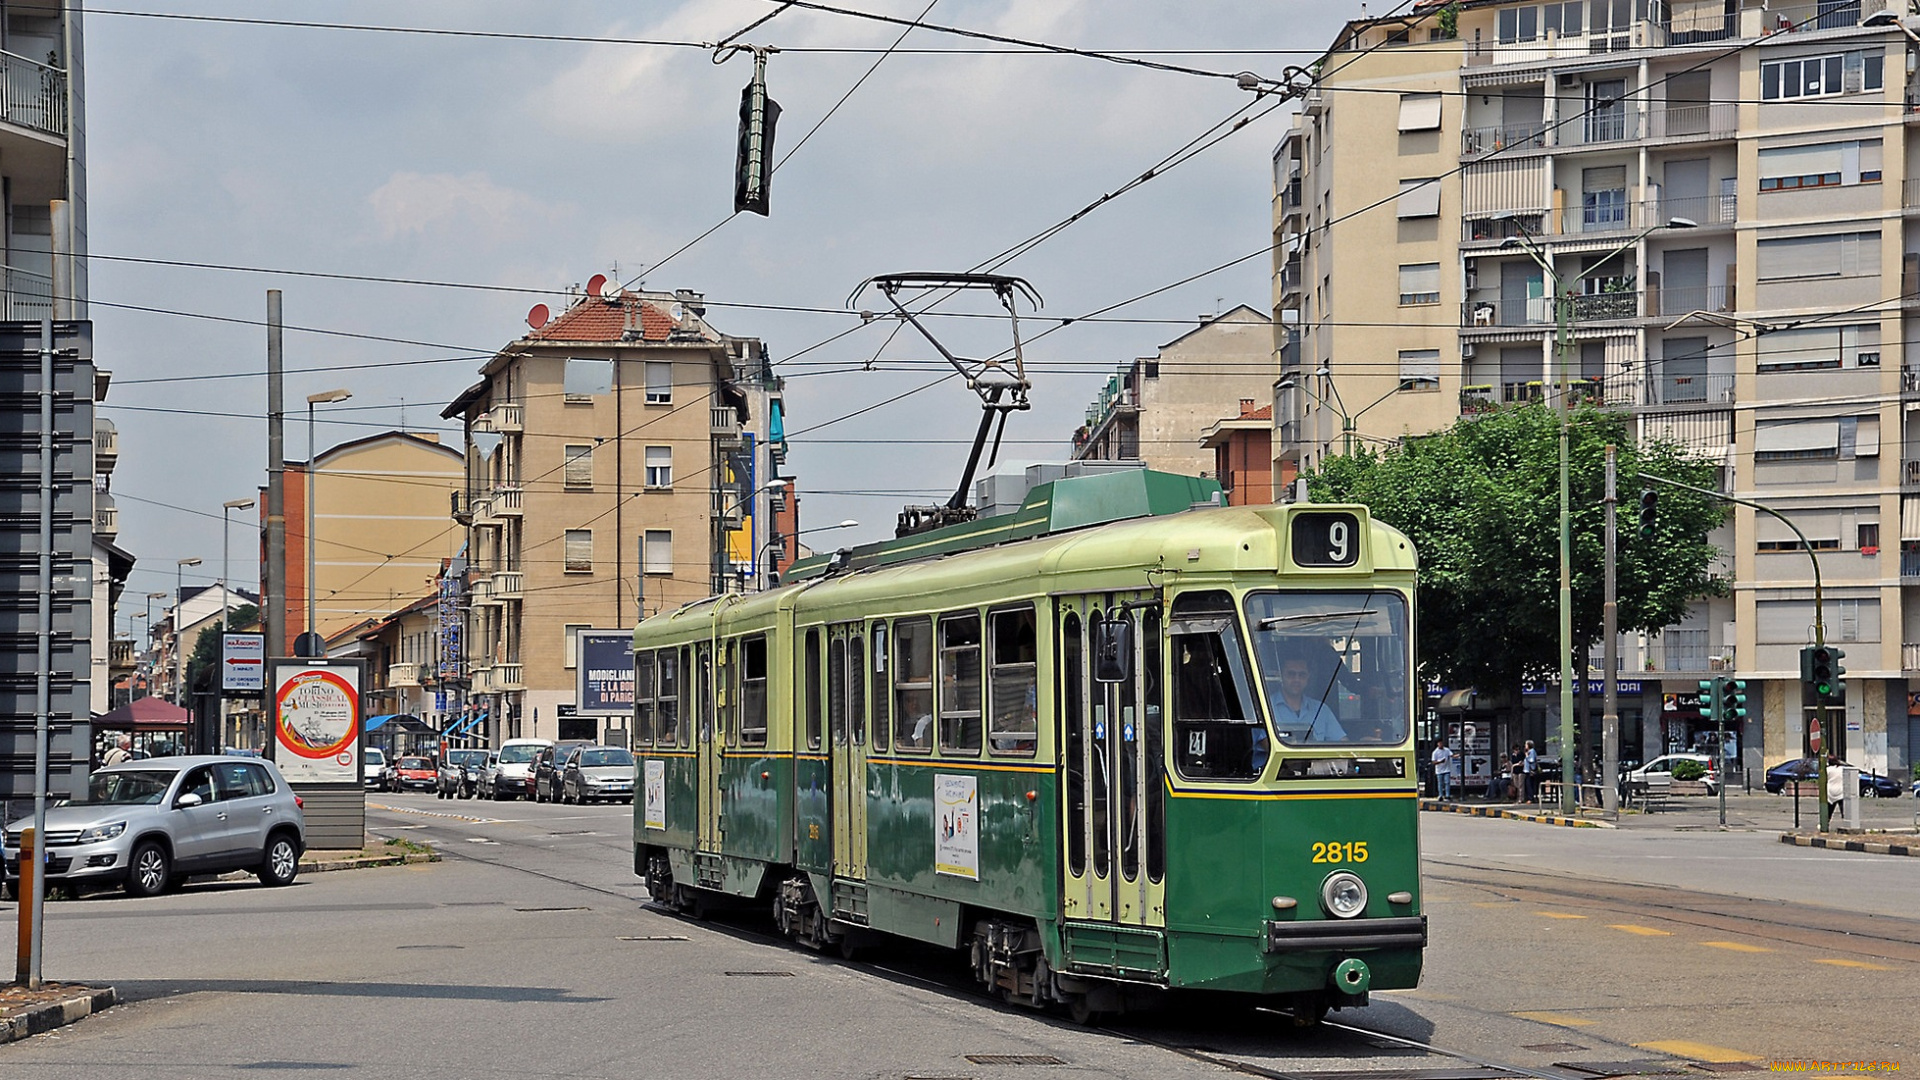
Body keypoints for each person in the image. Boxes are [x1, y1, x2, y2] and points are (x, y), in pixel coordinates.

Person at [1271, 656, 1347, 742]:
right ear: (1280, 675)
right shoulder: (1266, 707)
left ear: (1308, 677)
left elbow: (1342, 742)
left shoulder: (1321, 710)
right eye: (1291, 674)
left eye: (1302, 675)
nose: (1297, 679)